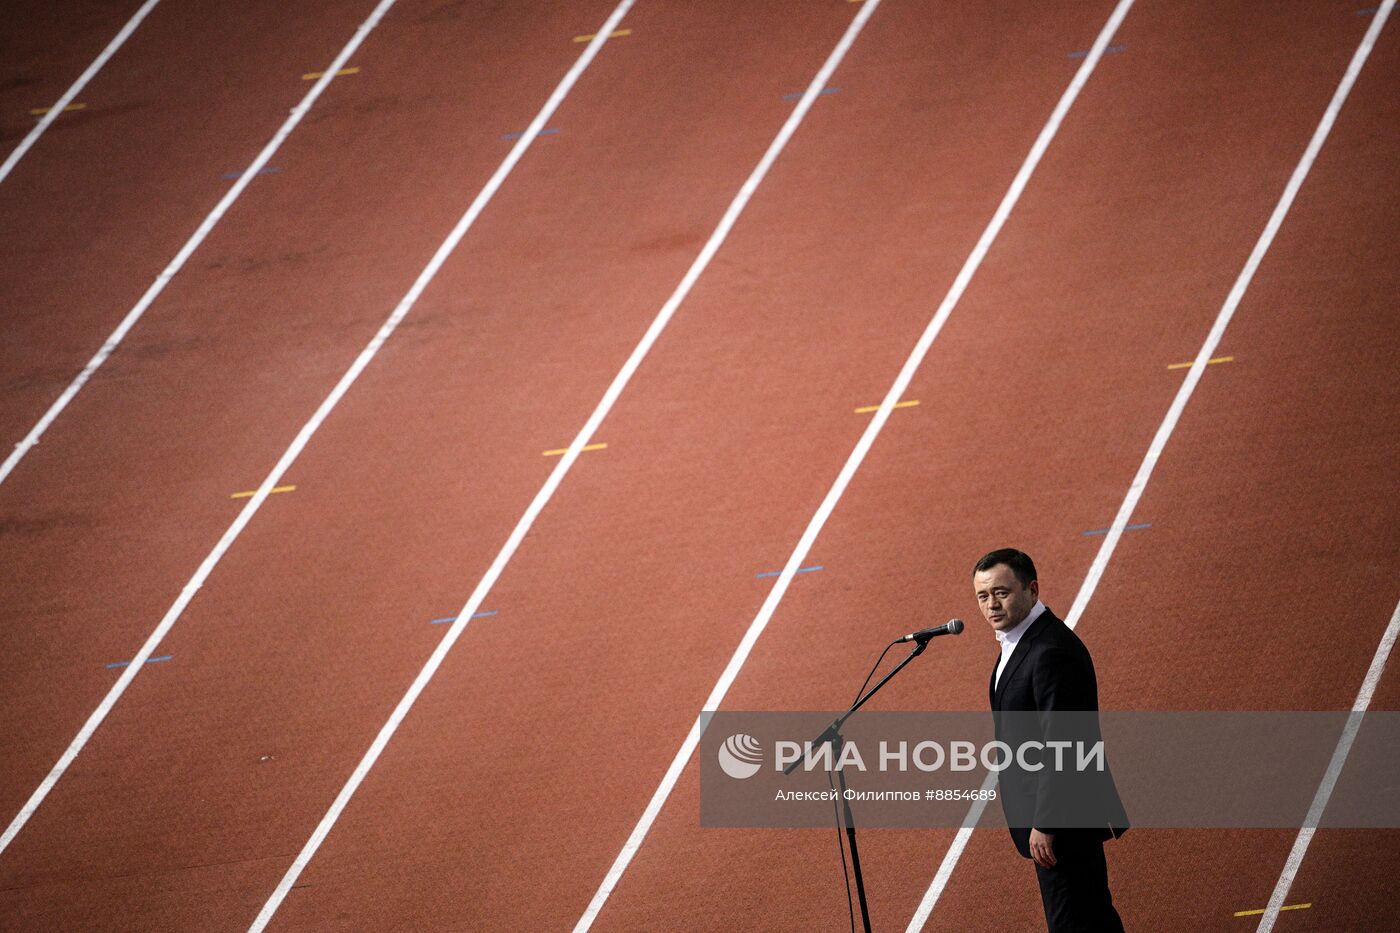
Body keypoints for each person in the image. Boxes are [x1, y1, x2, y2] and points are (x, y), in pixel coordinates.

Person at [972, 548, 1128, 932]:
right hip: (1060, 816)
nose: (991, 604)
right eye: (983, 596)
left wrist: (1046, 821)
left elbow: (1065, 743)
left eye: (1001, 593)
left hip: (1065, 821)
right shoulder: (1020, 641)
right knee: (1093, 917)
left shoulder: (1050, 652)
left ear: (1032, 590)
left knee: (1074, 922)